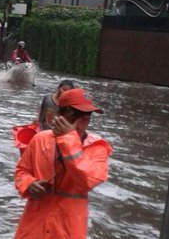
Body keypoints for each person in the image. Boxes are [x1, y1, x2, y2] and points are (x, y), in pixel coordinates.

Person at [14, 88, 112, 239]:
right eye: (74, 117)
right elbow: (22, 172)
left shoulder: (98, 147)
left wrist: (68, 140)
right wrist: (29, 184)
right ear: (59, 115)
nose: (80, 125)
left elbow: (87, 181)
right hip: (33, 228)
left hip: (68, 230)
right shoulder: (40, 139)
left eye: (86, 119)